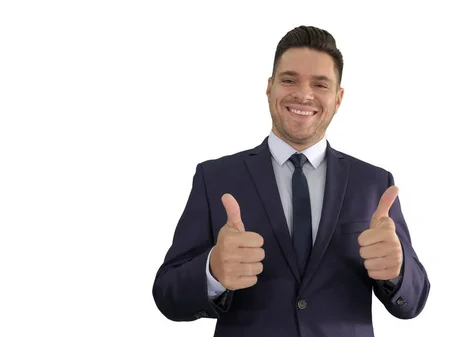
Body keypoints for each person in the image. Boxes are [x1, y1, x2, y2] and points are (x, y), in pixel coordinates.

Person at [152, 25, 430, 337]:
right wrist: (212, 271)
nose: (303, 94)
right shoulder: (215, 178)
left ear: (338, 99)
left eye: (320, 84)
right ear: (269, 87)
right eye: (289, 80)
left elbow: (414, 300)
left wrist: (397, 270)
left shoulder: (375, 183)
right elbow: (167, 295)